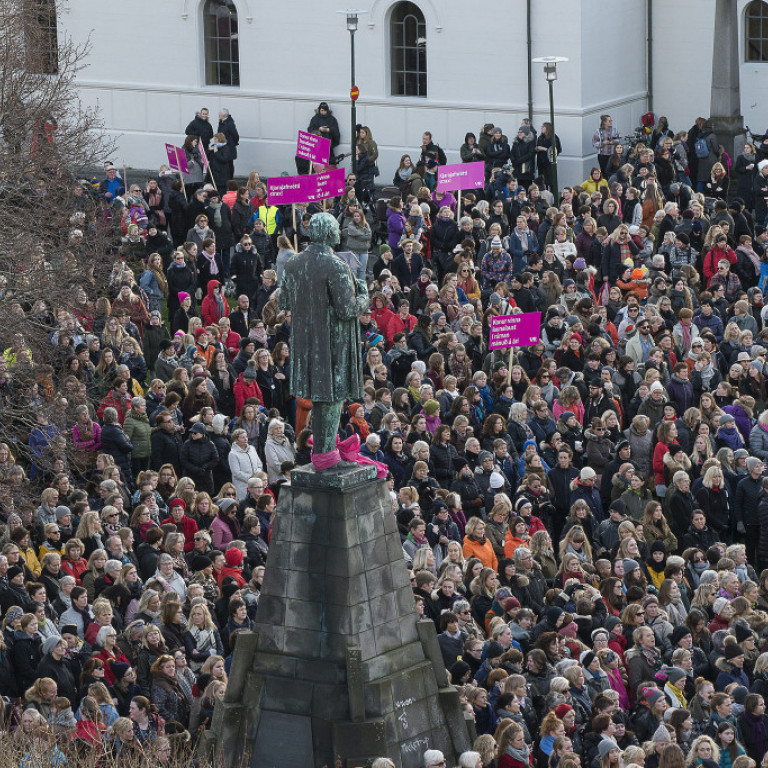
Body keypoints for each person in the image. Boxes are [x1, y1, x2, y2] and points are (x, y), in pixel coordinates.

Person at [279, 213, 368, 470]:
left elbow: (284, 301)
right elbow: (347, 310)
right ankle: (326, 453)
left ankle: (323, 451)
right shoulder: (337, 265)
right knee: (330, 398)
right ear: (329, 233)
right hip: (332, 343)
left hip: (305, 342)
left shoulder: (294, 263)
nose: (340, 233)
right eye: (337, 229)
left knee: (320, 399)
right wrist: (363, 293)